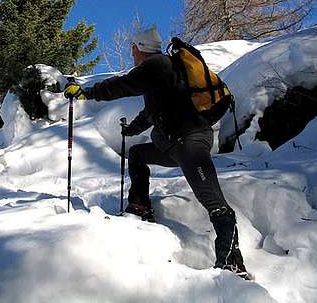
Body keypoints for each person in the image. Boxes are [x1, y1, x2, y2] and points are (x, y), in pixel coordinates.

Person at [63, 25, 248, 278]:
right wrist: (131, 130)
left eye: (133, 50)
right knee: (138, 154)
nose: (133, 55)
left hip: (190, 141)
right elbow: (152, 112)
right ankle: (140, 206)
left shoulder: (158, 65)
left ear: (137, 49)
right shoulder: (163, 74)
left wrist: (87, 92)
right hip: (174, 144)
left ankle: (232, 262)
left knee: (214, 201)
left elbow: (123, 85)